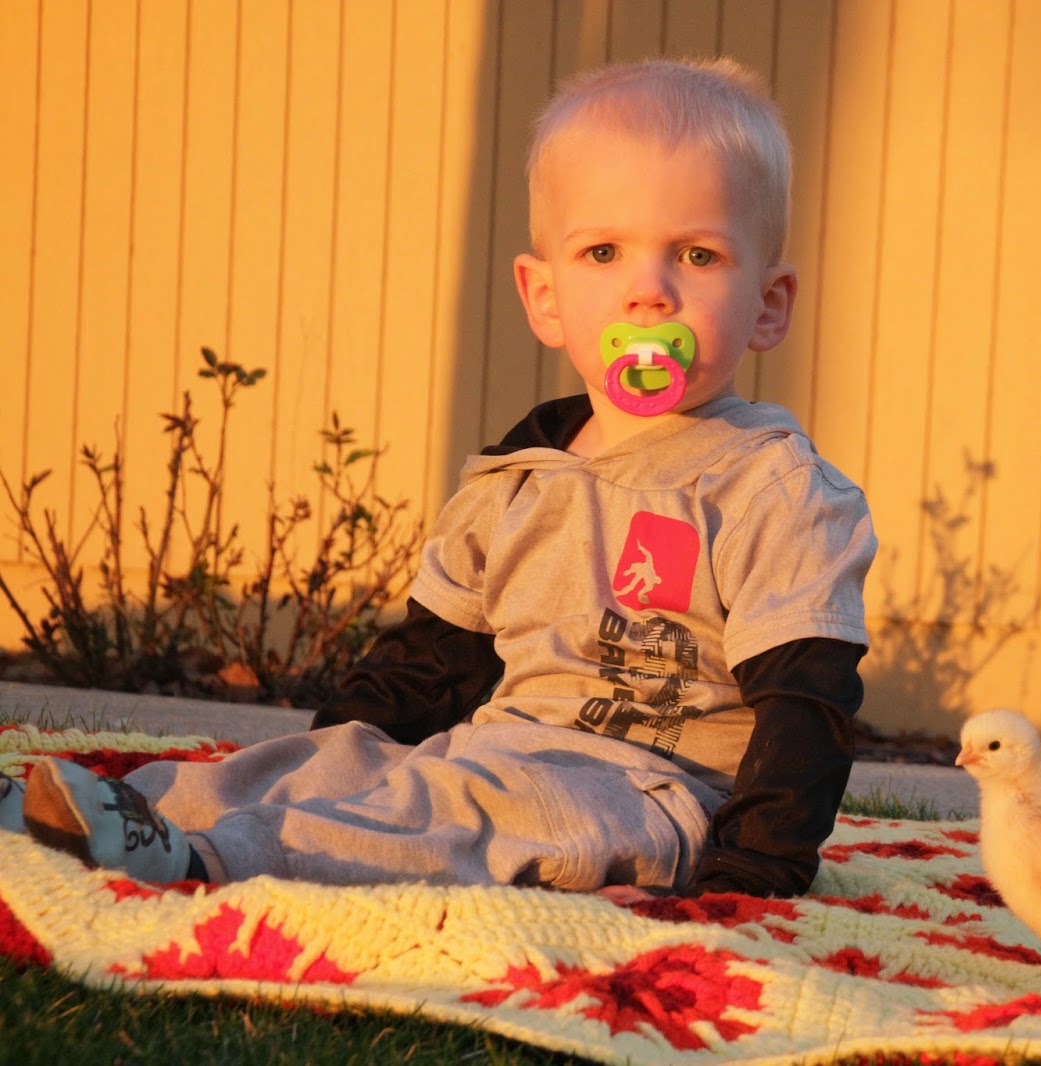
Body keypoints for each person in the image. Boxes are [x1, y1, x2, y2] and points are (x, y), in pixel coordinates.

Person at [8, 57, 876, 902]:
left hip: (647, 796)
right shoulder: (518, 477)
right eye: (604, 251)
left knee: (461, 811)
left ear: (768, 304)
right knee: (334, 764)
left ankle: (209, 861)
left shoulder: (772, 491)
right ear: (544, 297)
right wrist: (346, 762)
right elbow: (429, 665)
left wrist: (750, 873)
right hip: (495, 754)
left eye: (697, 255)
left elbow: (806, 704)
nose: (648, 291)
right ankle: (82, 810)